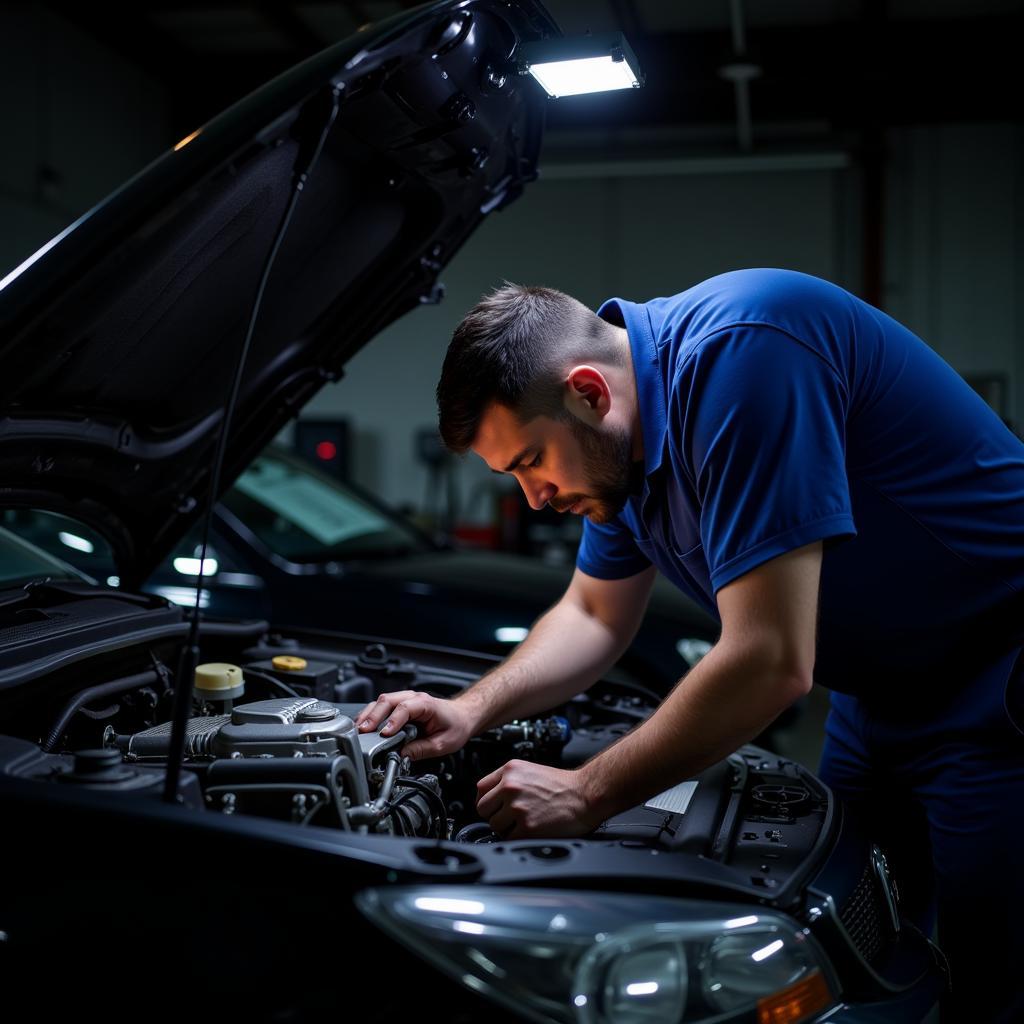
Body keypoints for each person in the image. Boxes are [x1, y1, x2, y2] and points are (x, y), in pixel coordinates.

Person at [355, 267, 1024, 1022]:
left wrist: (586, 791)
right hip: (876, 698)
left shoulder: (747, 356)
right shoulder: (621, 456)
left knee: (987, 983)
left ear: (589, 392)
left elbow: (769, 659)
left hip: (997, 684)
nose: (534, 498)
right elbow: (594, 616)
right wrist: (469, 712)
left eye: (530, 462)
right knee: (857, 951)